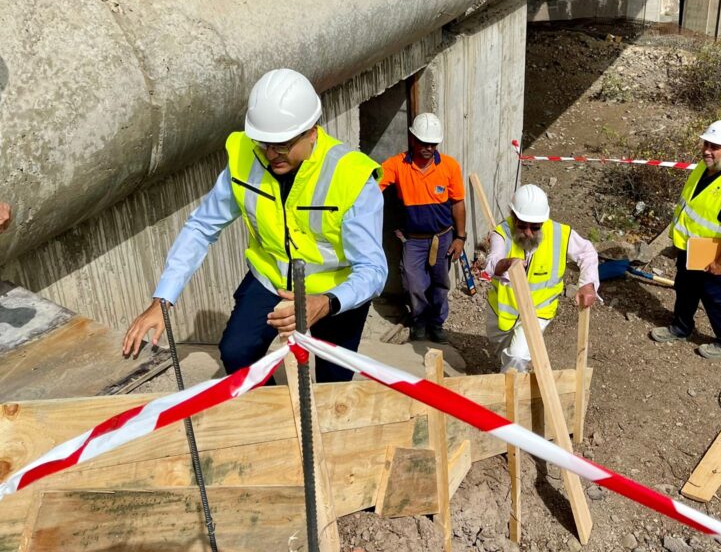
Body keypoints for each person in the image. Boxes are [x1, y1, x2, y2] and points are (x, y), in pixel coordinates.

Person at [122, 69, 387, 383]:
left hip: (335, 292)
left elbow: (373, 269)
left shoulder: (351, 176)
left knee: (334, 382)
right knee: (237, 353)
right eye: (264, 143)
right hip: (270, 279)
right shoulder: (246, 159)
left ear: (311, 132)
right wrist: (162, 300)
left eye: (282, 145)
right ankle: (271, 415)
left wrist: (326, 302)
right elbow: (201, 228)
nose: (271, 154)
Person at [651, 119, 721, 359]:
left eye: (714, 146)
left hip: (713, 253)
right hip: (690, 247)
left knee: (715, 296)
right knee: (685, 288)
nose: (707, 150)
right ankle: (681, 327)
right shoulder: (702, 168)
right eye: (706, 143)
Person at [485, 184, 599, 373]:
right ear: (513, 217)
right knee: (504, 352)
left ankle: (512, 396)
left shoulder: (561, 234)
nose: (528, 232)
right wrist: (507, 264)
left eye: (535, 227)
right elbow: (492, 263)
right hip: (502, 311)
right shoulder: (502, 232)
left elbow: (587, 253)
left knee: (518, 356)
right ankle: (511, 375)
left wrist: (587, 284)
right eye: (522, 226)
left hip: (539, 310)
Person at [378, 113, 467, 343]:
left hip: (443, 238)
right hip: (414, 240)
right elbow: (373, 183)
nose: (428, 148)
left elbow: (458, 203)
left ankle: (436, 325)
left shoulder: (449, 166)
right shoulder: (398, 165)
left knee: (440, 283)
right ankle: (419, 322)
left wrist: (460, 237)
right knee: (415, 283)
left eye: (432, 144)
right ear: (412, 138)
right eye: (423, 142)